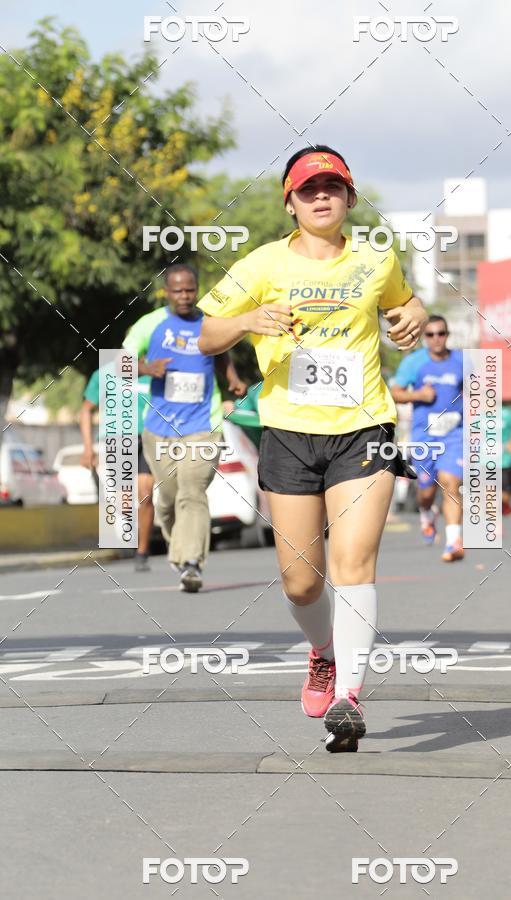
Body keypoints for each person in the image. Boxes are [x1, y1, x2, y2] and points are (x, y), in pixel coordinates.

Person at [198, 144, 426, 751]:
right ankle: (323, 651)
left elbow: (404, 301)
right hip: (289, 433)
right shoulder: (260, 265)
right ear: (290, 203)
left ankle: (348, 697)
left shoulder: (376, 259)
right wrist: (246, 322)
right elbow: (207, 336)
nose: (321, 196)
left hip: (364, 429)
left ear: (349, 197)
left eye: (332, 187)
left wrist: (412, 313)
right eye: (308, 189)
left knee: (354, 563)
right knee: (302, 583)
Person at [124, 263, 246, 592]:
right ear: (166, 292)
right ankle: (179, 546)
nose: (185, 296)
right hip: (159, 427)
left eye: (190, 290)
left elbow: (220, 352)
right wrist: (146, 367)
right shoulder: (150, 324)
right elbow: (118, 362)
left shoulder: (209, 321)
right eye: (177, 291)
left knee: (193, 489)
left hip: (203, 424)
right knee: (168, 498)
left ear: (197, 289)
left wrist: (232, 378)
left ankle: (191, 562)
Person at [390, 315, 464, 562]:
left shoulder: (461, 361)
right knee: (426, 492)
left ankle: (453, 542)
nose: (436, 339)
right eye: (430, 335)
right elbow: (395, 393)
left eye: (441, 333)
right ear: (425, 338)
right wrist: (419, 395)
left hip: (454, 434)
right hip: (424, 436)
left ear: (447, 335)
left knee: (450, 483)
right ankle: (426, 513)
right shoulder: (414, 362)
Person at [80, 368, 154, 572]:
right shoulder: (104, 374)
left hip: (148, 438)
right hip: (117, 440)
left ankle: (142, 552)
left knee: (146, 495)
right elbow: (86, 410)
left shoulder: (154, 372)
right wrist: (88, 448)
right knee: (125, 502)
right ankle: (132, 530)